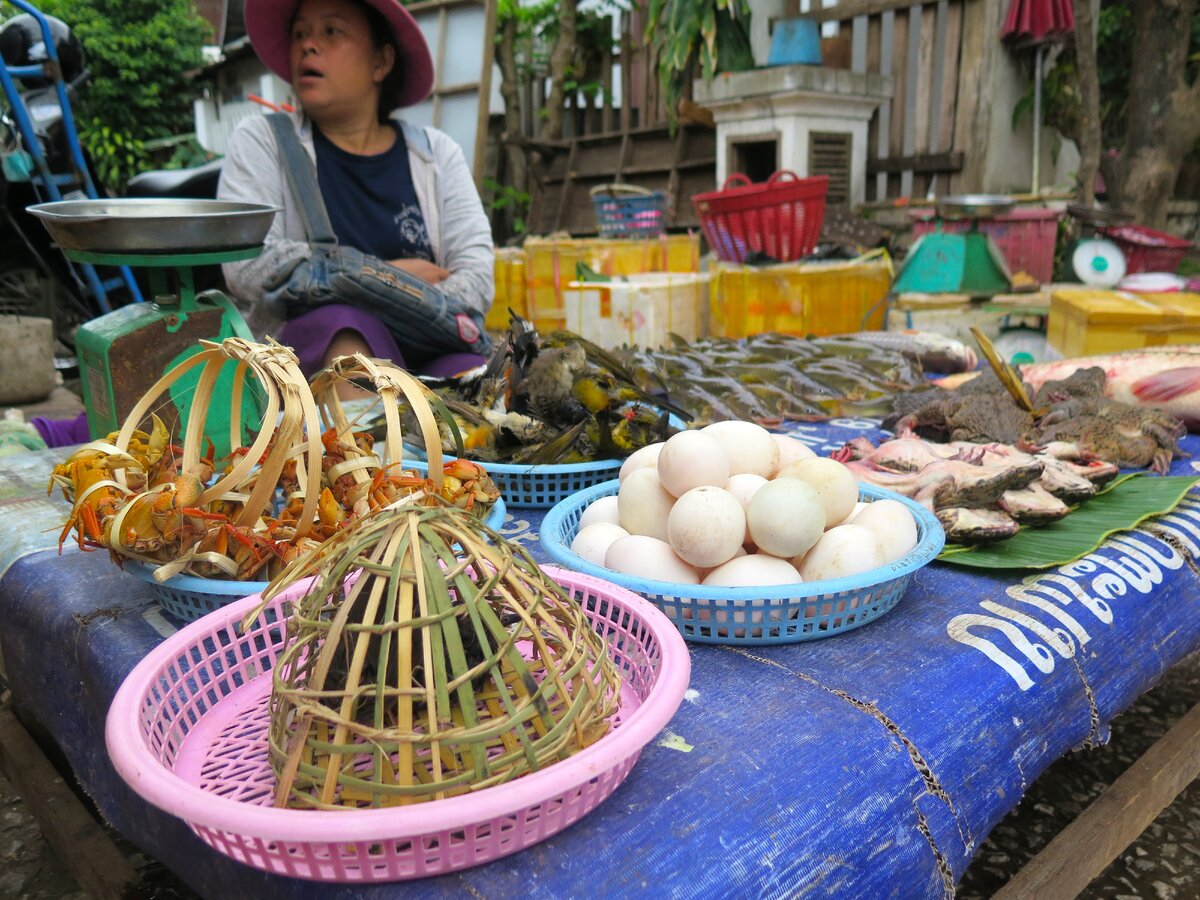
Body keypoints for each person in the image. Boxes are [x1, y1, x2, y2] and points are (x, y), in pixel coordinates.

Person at [219, 0, 495, 394]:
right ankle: (358, 455)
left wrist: (372, 285)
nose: (308, 46)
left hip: (426, 340)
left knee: (477, 378)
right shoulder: (265, 142)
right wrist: (385, 276)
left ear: (381, 61)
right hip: (312, 358)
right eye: (300, 34)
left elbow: (476, 278)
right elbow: (247, 262)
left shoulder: (436, 155)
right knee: (347, 338)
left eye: (332, 31)